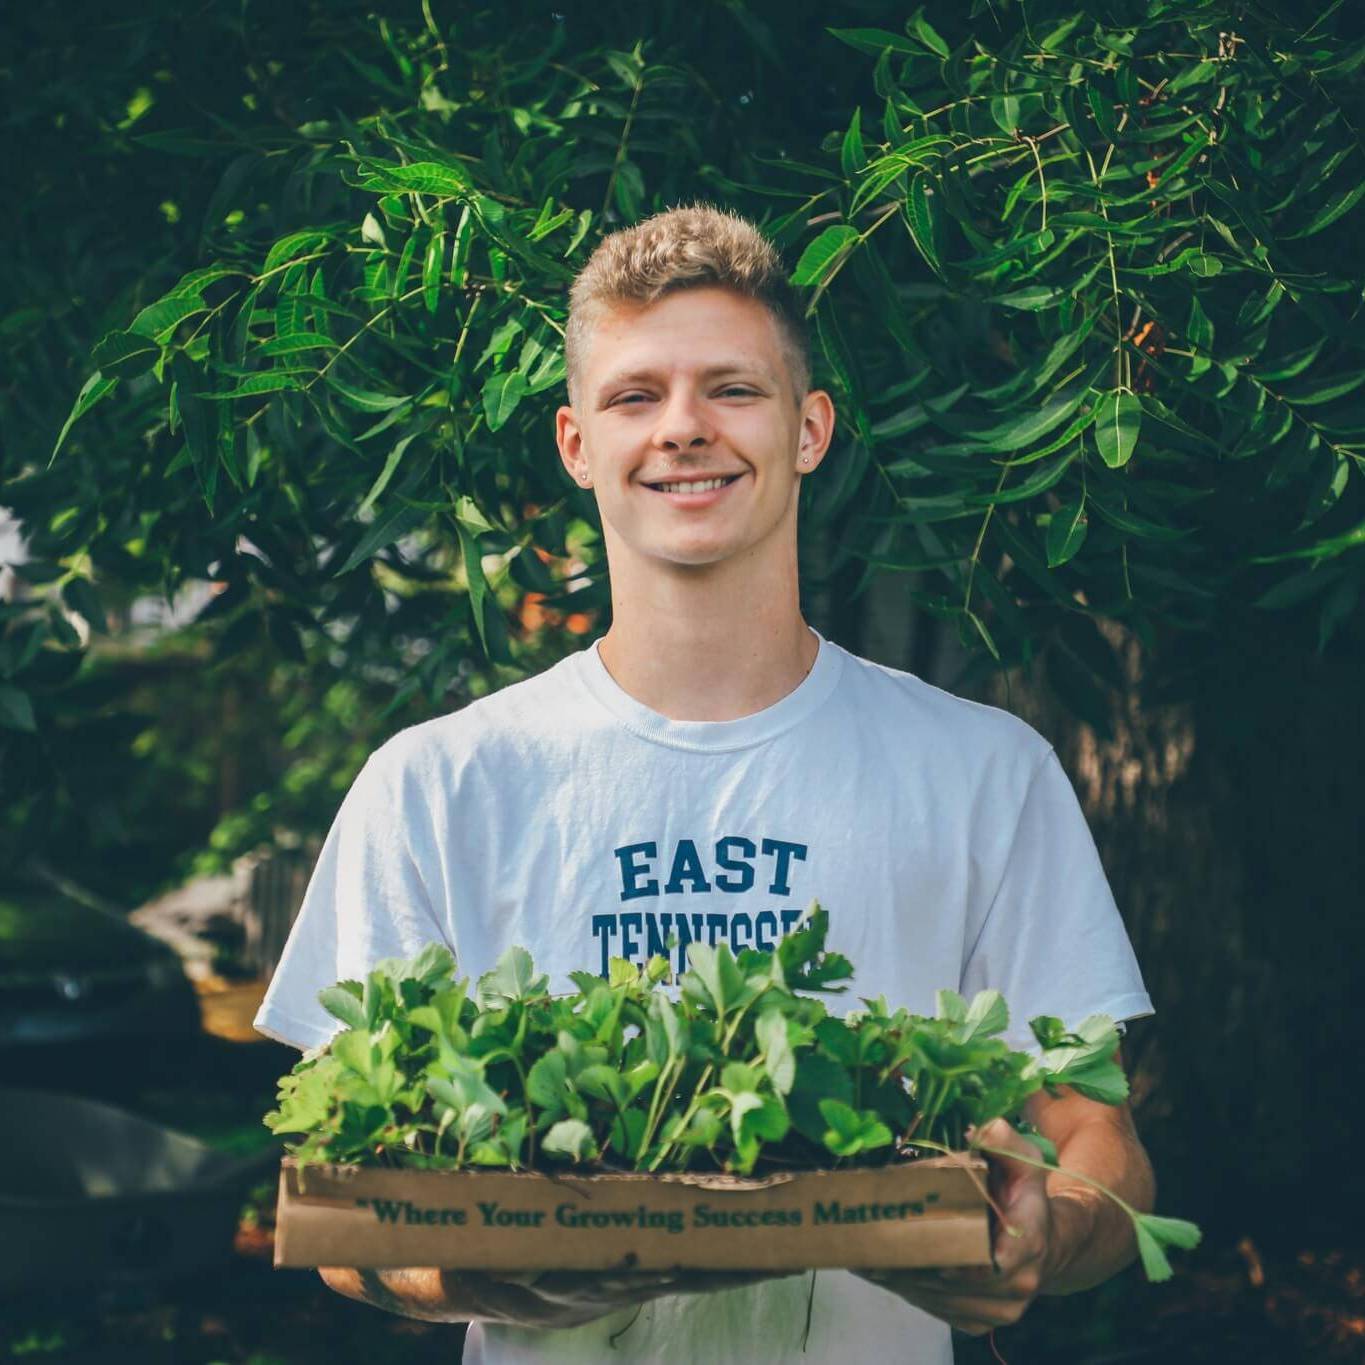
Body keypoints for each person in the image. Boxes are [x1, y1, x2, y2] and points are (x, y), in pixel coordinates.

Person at [253, 203, 1157, 1363]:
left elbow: (1098, 1137)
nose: (683, 428)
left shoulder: (983, 772)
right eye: (635, 396)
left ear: (810, 429)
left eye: (732, 389)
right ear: (578, 445)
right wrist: (451, 1264)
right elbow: (345, 1195)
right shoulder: (437, 785)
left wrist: (1047, 1235)